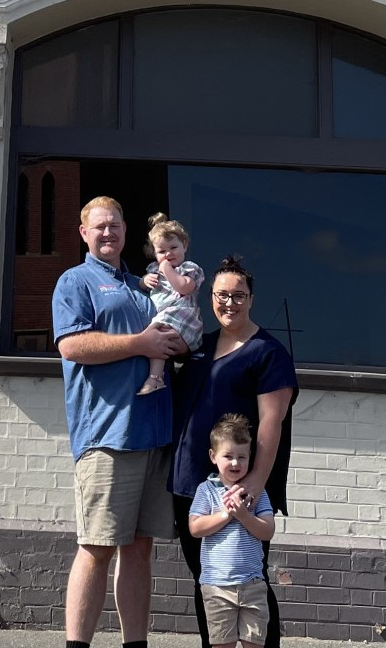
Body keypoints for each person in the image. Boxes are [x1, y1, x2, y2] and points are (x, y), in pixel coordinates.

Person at [53, 197, 190, 648]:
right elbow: (72, 347)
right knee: (97, 547)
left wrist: (175, 342)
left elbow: (169, 338)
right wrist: (141, 342)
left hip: (154, 435)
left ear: (126, 231)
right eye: (99, 227)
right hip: (108, 435)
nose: (107, 233)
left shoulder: (141, 286)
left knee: (141, 548)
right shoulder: (76, 281)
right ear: (84, 234)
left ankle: (136, 644)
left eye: (114, 225)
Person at [169, 256, 298, 648]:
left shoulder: (267, 352)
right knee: (207, 579)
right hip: (192, 486)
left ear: (251, 299)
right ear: (211, 297)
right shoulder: (199, 346)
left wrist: (254, 485)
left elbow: (271, 424)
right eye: (222, 295)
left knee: (248, 579)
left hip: (241, 488)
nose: (230, 303)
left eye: (238, 295)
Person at [187, 414, 277, 648]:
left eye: (242, 457)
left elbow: (267, 531)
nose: (236, 463)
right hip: (216, 587)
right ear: (213, 456)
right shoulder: (206, 490)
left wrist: (244, 516)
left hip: (253, 585)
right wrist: (227, 514)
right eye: (228, 456)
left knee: (255, 644)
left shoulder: (256, 492)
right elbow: (195, 528)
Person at [138, 214, 205, 395]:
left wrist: (167, 270)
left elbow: (184, 287)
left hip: (182, 317)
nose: (168, 254)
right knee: (154, 337)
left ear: (185, 245)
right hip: (165, 318)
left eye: (173, 247)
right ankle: (157, 377)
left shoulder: (190, 268)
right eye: (161, 251)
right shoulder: (153, 269)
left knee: (157, 336)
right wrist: (145, 281)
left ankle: (155, 378)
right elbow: (141, 285)